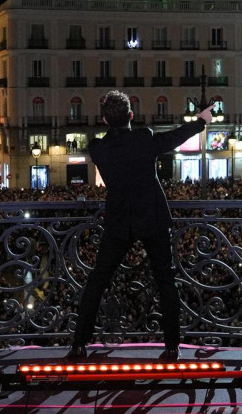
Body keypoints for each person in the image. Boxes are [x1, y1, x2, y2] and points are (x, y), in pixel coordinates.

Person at [67, 90, 212, 361]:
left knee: (97, 280)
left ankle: (79, 344)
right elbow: (173, 138)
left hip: (119, 221)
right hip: (152, 218)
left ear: (105, 120)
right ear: (131, 116)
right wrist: (201, 121)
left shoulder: (98, 147)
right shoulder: (144, 138)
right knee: (165, 281)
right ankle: (172, 347)